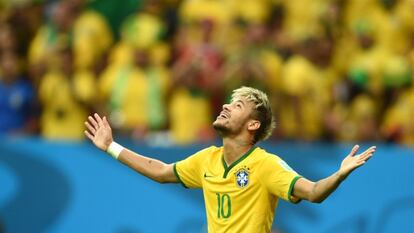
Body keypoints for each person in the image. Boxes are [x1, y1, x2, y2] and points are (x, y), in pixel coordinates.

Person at [84, 86, 376, 233]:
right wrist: (111, 147)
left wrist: (339, 174)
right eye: (229, 102)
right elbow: (160, 171)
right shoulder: (207, 159)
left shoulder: (266, 165)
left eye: (236, 106)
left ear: (252, 125)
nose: (225, 106)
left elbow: (313, 192)